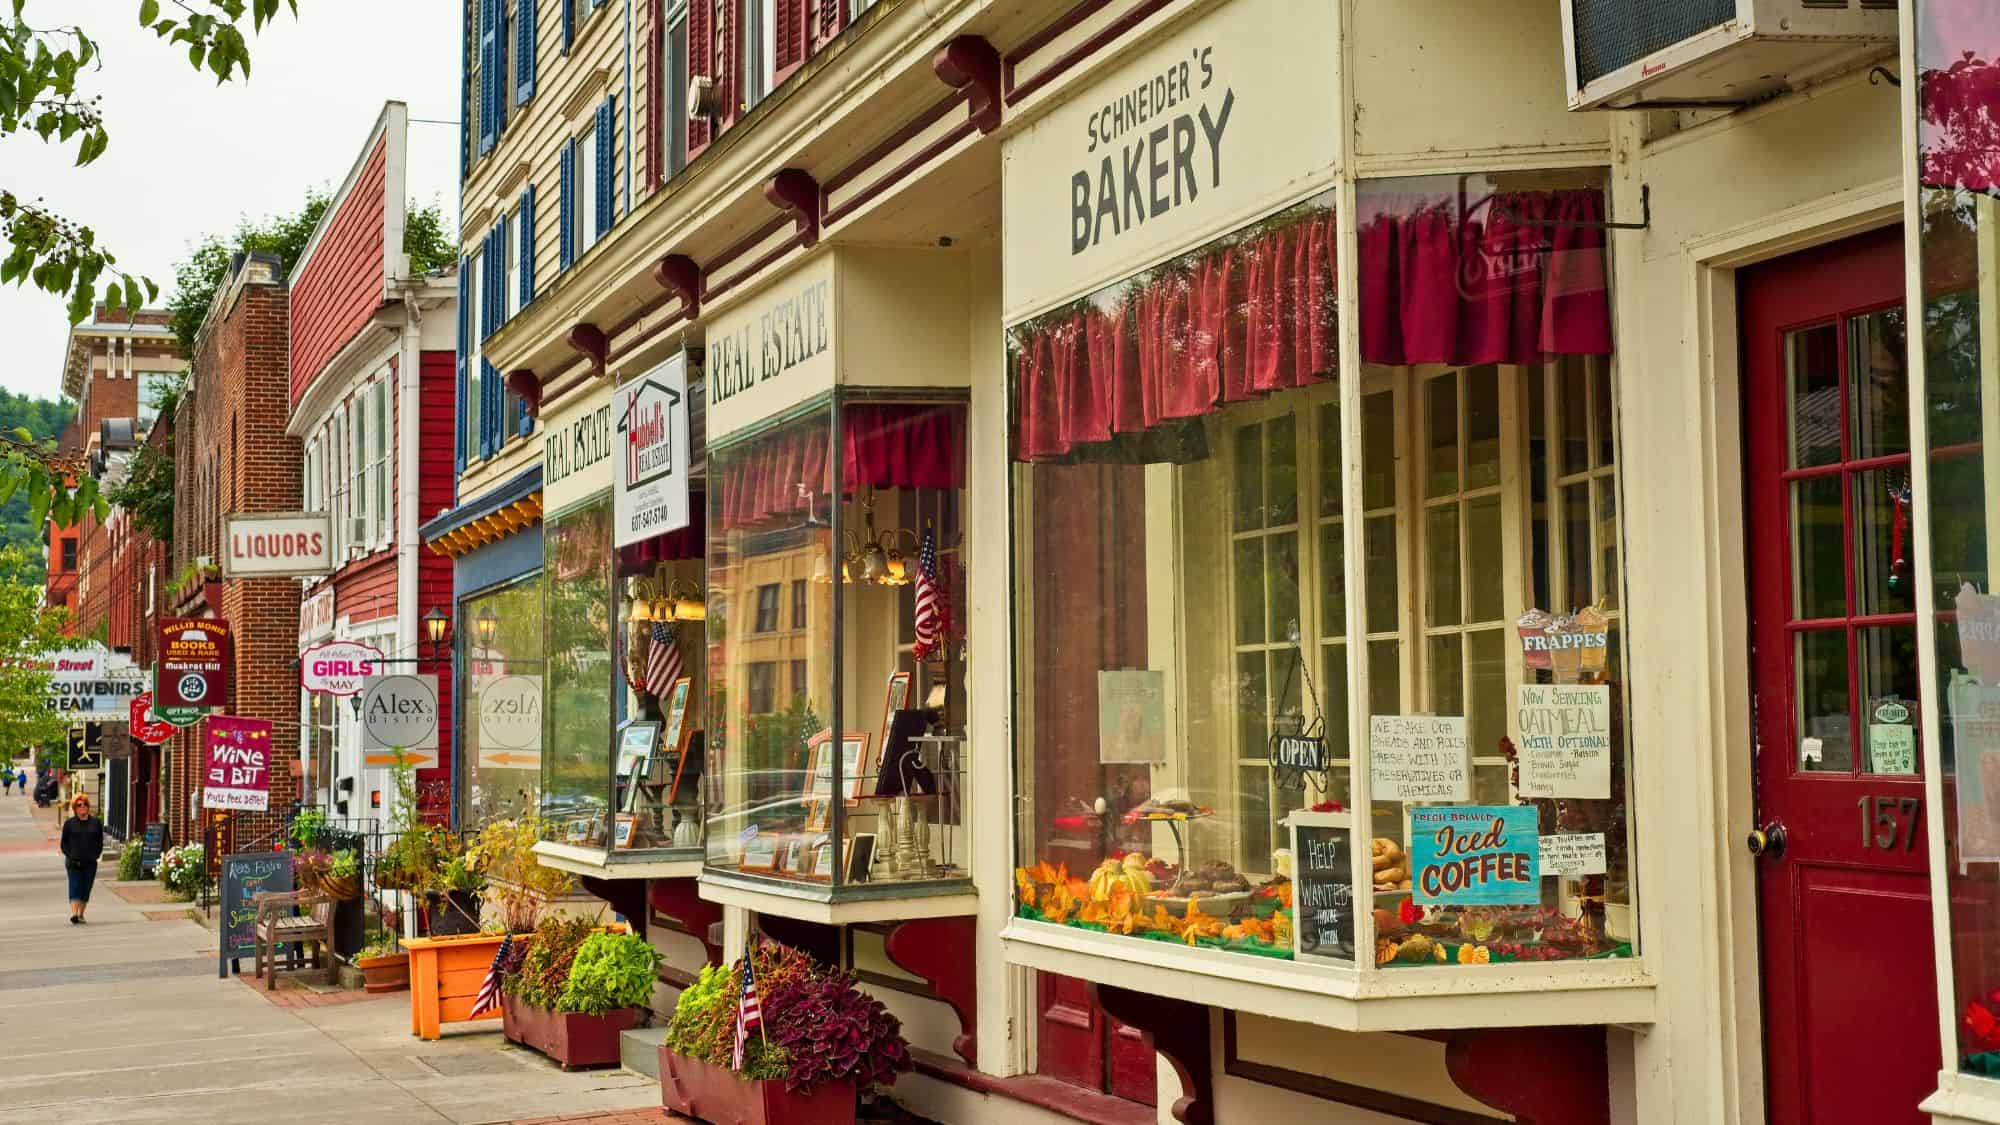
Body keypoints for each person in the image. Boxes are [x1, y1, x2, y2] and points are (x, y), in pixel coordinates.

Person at [60, 794, 105, 924]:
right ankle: (74, 914)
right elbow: (64, 844)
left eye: (85, 804)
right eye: (79, 805)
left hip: (90, 862)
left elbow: (99, 842)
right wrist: (70, 856)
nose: (83, 807)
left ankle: (81, 914)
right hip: (73, 862)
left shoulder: (95, 823)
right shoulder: (69, 824)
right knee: (75, 886)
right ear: (75, 808)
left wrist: (96, 855)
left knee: (86, 888)